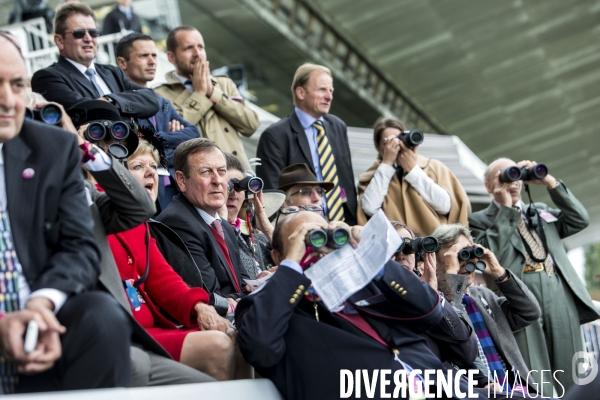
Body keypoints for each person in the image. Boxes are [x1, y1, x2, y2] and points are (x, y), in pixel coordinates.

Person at [0, 34, 131, 393]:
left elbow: (79, 248)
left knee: (101, 317)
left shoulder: (52, 148)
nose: (9, 101)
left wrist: (40, 306)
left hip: (42, 325)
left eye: (17, 85)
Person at [65, 98, 217, 386]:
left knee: (230, 346)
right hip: (117, 330)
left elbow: (158, 273)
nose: (105, 144)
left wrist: (198, 306)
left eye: (114, 139)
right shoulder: (75, 196)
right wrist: (77, 145)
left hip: (147, 326)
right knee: (218, 349)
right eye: (97, 135)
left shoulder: (119, 203)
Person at [106, 139, 250, 380]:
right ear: (180, 181)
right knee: (230, 339)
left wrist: (199, 305)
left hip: (156, 327)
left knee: (248, 335)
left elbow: (163, 279)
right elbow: (208, 290)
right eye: (138, 166)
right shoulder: (177, 221)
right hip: (127, 332)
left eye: (153, 166)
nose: (151, 172)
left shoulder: (142, 227)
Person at [468, 158, 599, 394]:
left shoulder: (539, 211)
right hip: (520, 299)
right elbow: (489, 256)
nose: (513, 182)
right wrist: (506, 211)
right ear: (489, 186)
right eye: (504, 175)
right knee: (534, 367)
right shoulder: (479, 221)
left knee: (571, 363)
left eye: (516, 175)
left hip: (559, 292)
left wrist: (549, 182)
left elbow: (579, 219)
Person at [432, 224, 542, 395]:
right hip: (477, 393)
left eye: (466, 254)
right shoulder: (435, 304)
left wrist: (499, 272)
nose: (464, 263)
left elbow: (530, 312)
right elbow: (454, 316)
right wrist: (451, 276)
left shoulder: (484, 296)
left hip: (515, 391)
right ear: (436, 263)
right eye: (454, 258)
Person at [256, 63, 357, 224]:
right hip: (301, 227)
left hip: (344, 225)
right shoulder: (275, 136)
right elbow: (272, 196)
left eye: (330, 91)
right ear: (301, 92)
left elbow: (346, 180)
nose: (329, 96)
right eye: (322, 89)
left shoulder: (338, 127)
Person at [157, 139, 247, 318]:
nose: (218, 181)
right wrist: (252, 295)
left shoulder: (224, 226)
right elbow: (211, 299)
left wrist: (260, 282)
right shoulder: (177, 222)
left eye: (222, 172)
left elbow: (244, 284)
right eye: (206, 172)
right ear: (181, 180)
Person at [154, 26, 259, 169]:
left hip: (238, 176)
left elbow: (251, 125)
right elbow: (168, 138)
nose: (197, 53)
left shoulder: (224, 84)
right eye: (188, 48)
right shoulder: (160, 94)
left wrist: (212, 92)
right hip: (198, 180)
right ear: (172, 57)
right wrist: (200, 94)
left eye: (201, 47)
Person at [116, 32, 200, 209]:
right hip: (144, 190)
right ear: (122, 62)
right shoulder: (118, 103)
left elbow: (193, 132)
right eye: (143, 55)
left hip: (175, 189)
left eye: (153, 55)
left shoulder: (162, 102)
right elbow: (134, 145)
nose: (152, 61)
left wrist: (153, 138)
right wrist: (172, 139)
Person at [30, 3, 159, 117]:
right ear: (59, 41)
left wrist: (110, 100)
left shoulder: (113, 72)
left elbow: (151, 98)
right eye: (79, 33)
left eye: (93, 33)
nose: (88, 39)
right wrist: (126, 101)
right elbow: (87, 110)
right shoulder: (46, 77)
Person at [357, 117, 471, 235]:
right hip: (398, 249)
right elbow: (370, 208)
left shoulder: (433, 167)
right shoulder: (371, 177)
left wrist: (413, 170)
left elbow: (446, 206)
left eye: (399, 139)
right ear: (378, 146)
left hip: (432, 245)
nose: (396, 145)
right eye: (389, 141)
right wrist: (387, 164)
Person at [225, 153, 281, 280]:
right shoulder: (209, 231)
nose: (233, 195)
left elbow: (294, 263)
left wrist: (266, 229)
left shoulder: (255, 237)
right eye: (228, 187)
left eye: (239, 188)